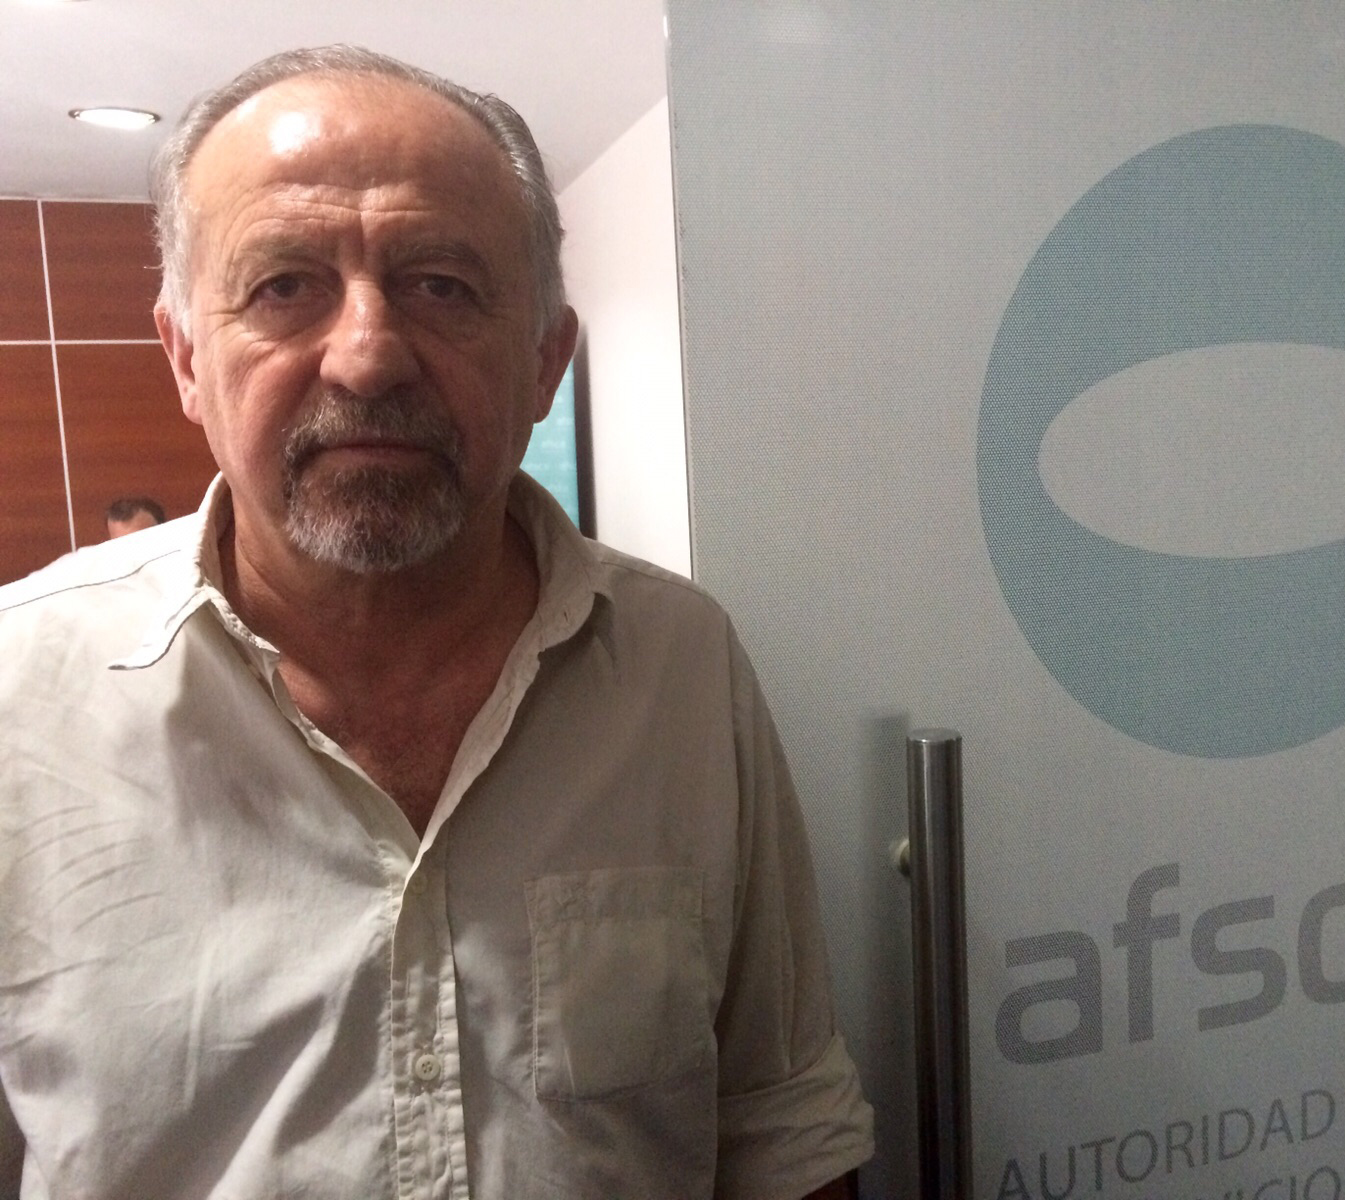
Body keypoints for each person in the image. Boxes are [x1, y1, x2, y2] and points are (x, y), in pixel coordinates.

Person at [0, 46, 872, 1199]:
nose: (367, 356)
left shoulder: (679, 665)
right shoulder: (21, 698)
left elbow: (782, 1126)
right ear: (186, 358)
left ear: (545, 361)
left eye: (443, 286)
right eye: (284, 286)